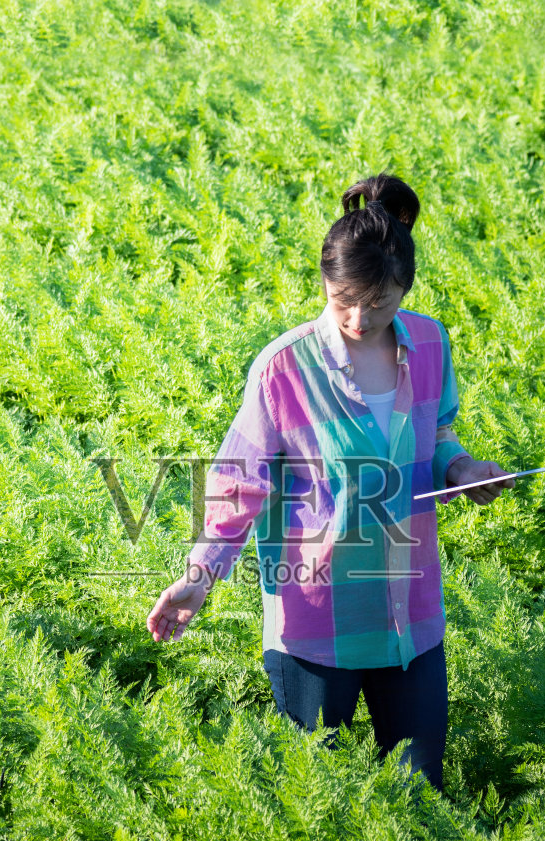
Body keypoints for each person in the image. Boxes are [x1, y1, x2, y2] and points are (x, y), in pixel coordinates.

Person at [145, 173, 515, 793]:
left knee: (422, 796)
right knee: (317, 800)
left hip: (411, 618)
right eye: (344, 297)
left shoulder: (429, 342)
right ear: (324, 279)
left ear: (405, 289)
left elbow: (439, 431)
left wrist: (459, 468)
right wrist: (199, 576)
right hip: (317, 624)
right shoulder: (283, 368)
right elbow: (239, 485)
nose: (358, 316)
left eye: (378, 302)